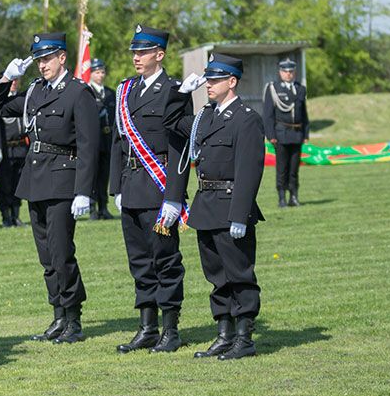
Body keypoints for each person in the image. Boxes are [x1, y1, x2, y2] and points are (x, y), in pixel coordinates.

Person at [0, 32, 99, 343]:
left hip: (63, 180)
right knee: (46, 257)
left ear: (62, 58)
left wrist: (83, 190)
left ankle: (73, 319)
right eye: (38, 60)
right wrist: (6, 78)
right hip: (35, 180)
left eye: (47, 58)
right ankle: (58, 316)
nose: (42, 65)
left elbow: (88, 146)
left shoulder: (78, 93)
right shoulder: (35, 91)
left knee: (62, 253)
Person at [169, 53, 265, 360]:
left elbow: (250, 170)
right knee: (216, 275)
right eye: (207, 79)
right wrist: (181, 94)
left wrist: (240, 214)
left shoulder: (246, 118)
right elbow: (170, 123)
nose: (208, 85)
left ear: (232, 82)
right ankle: (224, 334)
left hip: (230, 205)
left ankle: (244, 338)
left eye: (215, 80)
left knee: (239, 274)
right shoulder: (206, 116)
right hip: (206, 205)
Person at [109, 25, 192, 354]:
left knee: (165, 259)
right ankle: (147, 327)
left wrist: (174, 196)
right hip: (131, 187)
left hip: (159, 190)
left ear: (160, 54)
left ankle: (170, 329)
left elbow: (180, 150)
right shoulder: (126, 90)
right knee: (139, 260)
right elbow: (119, 142)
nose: (136, 57)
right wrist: (116, 186)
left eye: (142, 52)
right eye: (134, 52)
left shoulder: (174, 91)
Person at [262, 58, 309, 207]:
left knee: (294, 169)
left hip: (296, 134)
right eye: (285, 71)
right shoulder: (273, 89)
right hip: (281, 134)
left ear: (294, 72)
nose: (288, 74)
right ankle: (281, 197)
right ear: (280, 72)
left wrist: (306, 133)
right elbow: (268, 115)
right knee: (282, 168)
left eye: (291, 71)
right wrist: (271, 135)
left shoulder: (300, 89)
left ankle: (293, 197)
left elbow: (304, 113)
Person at [0, 79, 29, 227]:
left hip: (21, 148)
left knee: (19, 183)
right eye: (11, 80)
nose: (14, 83)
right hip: (6, 148)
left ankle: (16, 215)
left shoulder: (23, 99)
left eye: (16, 80)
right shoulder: (1, 101)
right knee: (5, 185)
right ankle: (6, 216)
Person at [88, 58, 116, 220]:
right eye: (97, 72)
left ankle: (103, 207)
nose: (100, 75)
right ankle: (92, 208)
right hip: (94, 139)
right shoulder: (87, 92)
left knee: (105, 174)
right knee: (93, 174)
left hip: (107, 139)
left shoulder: (110, 93)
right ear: (91, 74)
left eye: (102, 72)